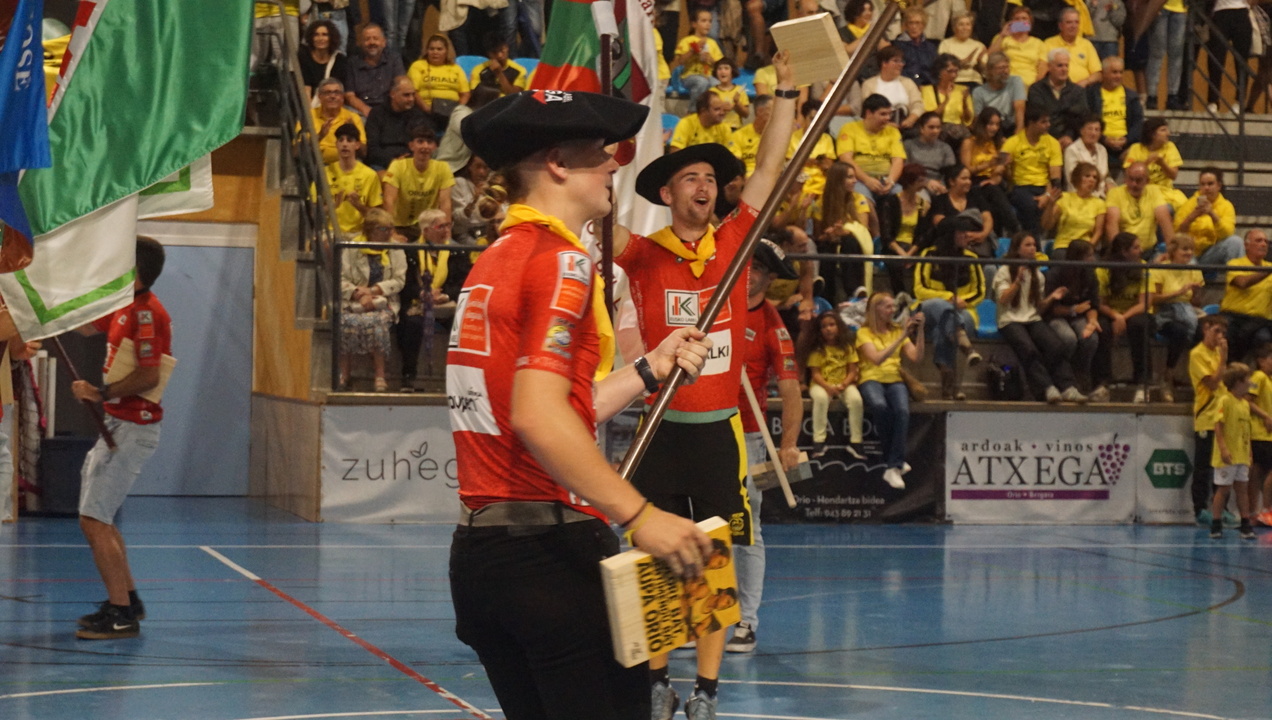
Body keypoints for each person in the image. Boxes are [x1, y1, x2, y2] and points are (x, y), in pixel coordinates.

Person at [448, 88, 715, 720]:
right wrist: (641, 515)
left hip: (483, 557)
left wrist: (649, 368)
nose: (615, 164)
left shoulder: (497, 258)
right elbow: (538, 417)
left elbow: (555, 405)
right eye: (600, 152)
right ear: (558, 164)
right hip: (551, 556)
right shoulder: (563, 262)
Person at [611, 51, 796, 720]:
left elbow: (769, 167)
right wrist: (599, 147)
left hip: (718, 434)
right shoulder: (643, 254)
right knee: (657, 562)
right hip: (658, 432)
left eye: (712, 179)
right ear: (667, 194)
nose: (705, 187)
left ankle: (707, 692)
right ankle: (659, 682)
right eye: (691, 177)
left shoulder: (737, 242)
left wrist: (786, 92)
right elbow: (596, 223)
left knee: (714, 560)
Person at [71, 237, 171, 640]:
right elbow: (83, 326)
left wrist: (100, 393)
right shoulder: (122, 304)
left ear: (135, 271)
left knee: (93, 520)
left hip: (133, 428)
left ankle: (121, 616)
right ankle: (127, 600)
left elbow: (149, 375)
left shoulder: (148, 314)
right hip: (116, 424)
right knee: (100, 517)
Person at [729, 240, 804, 655]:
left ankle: (746, 621)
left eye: (758, 268)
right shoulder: (716, 305)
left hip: (748, 436)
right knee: (698, 525)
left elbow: (791, 391)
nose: (748, 273)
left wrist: (788, 444)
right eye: (746, 264)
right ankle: (699, 620)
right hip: (704, 428)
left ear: (770, 279)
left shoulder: (774, 326)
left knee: (746, 528)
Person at [993, 232, 1087, 402]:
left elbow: (1038, 308)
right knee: (1029, 349)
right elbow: (1003, 299)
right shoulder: (1004, 271)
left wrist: (1052, 298)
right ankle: (1046, 388)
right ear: (1017, 249)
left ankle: (1068, 387)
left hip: (1032, 318)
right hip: (1009, 320)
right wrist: (1017, 282)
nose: (1032, 248)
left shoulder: (1038, 275)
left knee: (1056, 345)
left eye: (1034, 245)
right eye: (1027, 245)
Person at [914, 210, 987, 400]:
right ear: (950, 235)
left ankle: (947, 379)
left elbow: (980, 291)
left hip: (964, 310)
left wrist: (962, 302)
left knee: (945, 327)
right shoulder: (928, 254)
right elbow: (919, 289)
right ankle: (965, 349)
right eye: (961, 232)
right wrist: (949, 298)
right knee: (941, 306)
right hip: (928, 310)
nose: (967, 235)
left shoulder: (971, 258)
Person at [857, 292, 925, 489]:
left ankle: (892, 466)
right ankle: (894, 462)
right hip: (871, 378)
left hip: (894, 379)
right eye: (888, 306)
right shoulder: (864, 333)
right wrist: (902, 336)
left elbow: (916, 357)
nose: (892, 310)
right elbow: (876, 359)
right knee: (879, 405)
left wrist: (920, 331)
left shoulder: (897, 330)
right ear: (876, 309)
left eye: (893, 306)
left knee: (902, 411)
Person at [339, 209, 406, 391]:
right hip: (354, 300)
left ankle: (380, 375)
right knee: (345, 321)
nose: (389, 233)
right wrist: (359, 294)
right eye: (383, 229)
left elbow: (399, 280)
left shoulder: (395, 249)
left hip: (383, 300)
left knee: (376, 323)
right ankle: (344, 374)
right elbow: (340, 277)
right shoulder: (352, 247)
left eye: (390, 228)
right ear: (370, 230)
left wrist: (372, 291)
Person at [1092, 232, 1150, 403]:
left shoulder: (1144, 267)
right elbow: (1100, 303)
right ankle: (1102, 383)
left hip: (1134, 312)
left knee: (1140, 326)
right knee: (1101, 328)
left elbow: (1144, 303)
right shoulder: (1103, 269)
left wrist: (1123, 317)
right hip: (1110, 312)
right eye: (1136, 247)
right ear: (1124, 251)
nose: (1141, 250)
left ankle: (1142, 383)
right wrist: (1115, 316)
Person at [802, 311, 866, 457]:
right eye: (824, 326)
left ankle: (856, 442)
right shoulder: (817, 349)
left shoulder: (848, 347)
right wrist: (828, 387)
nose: (828, 329)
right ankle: (818, 441)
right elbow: (815, 374)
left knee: (856, 400)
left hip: (844, 384)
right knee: (820, 399)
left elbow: (852, 371)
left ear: (839, 327)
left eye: (832, 325)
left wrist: (844, 385)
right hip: (821, 384)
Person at [1149, 234, 1205, 402]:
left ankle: (1198, 376)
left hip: (1187, 310)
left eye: (1191, 250)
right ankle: (1168, 376)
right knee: (1180, 331)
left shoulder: (1194, 270)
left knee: (1204, 331)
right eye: (1185, 249)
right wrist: (1179, 292)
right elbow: (1154, 299)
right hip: (1164, 312)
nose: (1189, 253)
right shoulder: (1159, 269)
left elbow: (1196, 302)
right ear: (1173, 251)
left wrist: (1195, 293)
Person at [1043, 238, 1100, 392]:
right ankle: (1062, 376)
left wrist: (1092, 322)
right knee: (1068, 339)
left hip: (1079, 316)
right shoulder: (1056, 274)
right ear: (1078, 257)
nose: (1093, 259)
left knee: (1090, 338)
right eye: (1089, 256)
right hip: (1056, 316)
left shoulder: (1090, 274)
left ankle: (1081, 374)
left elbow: (1093, 304)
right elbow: (1049, 308)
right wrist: (1073, 309)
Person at [1209, 363, 1258, 540]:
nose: (1250, 383)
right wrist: (1223, 448)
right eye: (1247, 380)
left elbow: (1246, 431)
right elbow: (1218, 425)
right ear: (1238, 382)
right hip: (1228, 456)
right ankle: (1216, 523)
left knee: (1242, 490)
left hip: (1241, 455)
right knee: (1223, 489)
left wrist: (1249, 451)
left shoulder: (1245, 404)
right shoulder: (1225, 400)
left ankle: (1245, 524)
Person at [815, 161, 877, 300]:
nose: (855, 181)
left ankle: (854, 290)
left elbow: (862, 229)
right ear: (837, 179)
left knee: (850, 241)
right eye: (850, 177)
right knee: (825, 247)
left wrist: (844, 232)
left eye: (854, 177)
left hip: (852, 243)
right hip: (831, 243)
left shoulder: (859, 199)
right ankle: (826, 296)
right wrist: (829, 234)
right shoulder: (821, 202)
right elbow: (818, 235)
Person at [382, 123, 455, 239]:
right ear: (411, 146)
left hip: (430, 227)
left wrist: (447, 235)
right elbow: (389, 200)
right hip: (400, 227)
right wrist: (392, 233)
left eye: (429, 142)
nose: (425, 146)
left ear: (435, 147)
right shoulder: (397, 166)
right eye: (420, 142)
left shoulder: (443, 168)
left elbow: (445, 203)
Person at [1190, 314, 1230, 525]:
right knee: (1204, 467)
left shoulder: (1217, 353)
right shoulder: (1197, 354)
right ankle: (1200, 509)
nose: (1220, 336)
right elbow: (1213, 383)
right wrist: (1224, 359)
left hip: (1222, 417)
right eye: (1216, 331)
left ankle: (1221, 508)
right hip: (1206, 418)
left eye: (1223, 333)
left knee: (1222, 467)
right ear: (1205, 328)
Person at [1001, 107, 1062, 235]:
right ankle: (1033, 241)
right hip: (1020, 187)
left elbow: (1056, 177)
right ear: (1031, 123)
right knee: (1030, 205)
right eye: (1043, 122)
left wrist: (1047, 195)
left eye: (1048, 121)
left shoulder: (1053, 143)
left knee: (1061, 205)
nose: (1048, 125)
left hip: (1044, 187)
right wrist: (1004, 165)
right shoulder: (1012, 142)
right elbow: (999, 167)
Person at [838, 93, 908, 202]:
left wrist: (891, 181)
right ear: (868, 113)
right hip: (858, 181)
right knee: (863, 202)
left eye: (889, 114)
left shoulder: (893, 132)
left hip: (886, 180)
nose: (888, 118)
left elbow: (898, 160)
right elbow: (846, 159)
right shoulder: (849, 128)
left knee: (904, 200)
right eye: (883, 114)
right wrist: (867, 180)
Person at [960, 107, 1019, 234]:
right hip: (975, 181)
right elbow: (967, 170)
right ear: (982, 124)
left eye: (997, 124)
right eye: (991, 124)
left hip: (996, 180)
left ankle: (1009, 232)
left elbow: (1004, 170)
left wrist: (999, 172)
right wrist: (988, 164)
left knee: (993, 190)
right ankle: (1015, 229)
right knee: (991, 194)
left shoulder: (1001, 142)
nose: (994, 128)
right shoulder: (969, 143)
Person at [1219, 229, 1272, 363]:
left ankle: (1263, 375)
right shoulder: (1235, 264)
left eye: (1266, 242)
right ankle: (1228, 370)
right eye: (1258, 241)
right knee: (1225, 334)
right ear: (1246, 245)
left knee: (1264, 338)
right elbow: (1242, 283)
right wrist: (1267, 272)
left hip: (1259, 321)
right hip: (1233, 317)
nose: (1263, 244)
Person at [879, 164, 934, 293]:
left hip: (914, 247)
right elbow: (886, 234)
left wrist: (910, 254)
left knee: (925, 260)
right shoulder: (891, 202)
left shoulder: (923, 204)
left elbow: (924, 234)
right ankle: (900, 295)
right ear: (909, 182)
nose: (923, 184)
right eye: (920, 181)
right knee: (894, 261)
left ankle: (917, 295)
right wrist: (902, 254)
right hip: (895, 247)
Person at [1174, 167, 1244, 267]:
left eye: (1210, 184)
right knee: (1188, 261)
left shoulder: (1227, 206)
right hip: (1190, 252)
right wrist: (1191, 217)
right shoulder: (1188, 204)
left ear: (1219, 186)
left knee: (1236, 242)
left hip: (1213, 252)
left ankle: (1236, 276)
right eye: (1203, 184)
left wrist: (1212, 214)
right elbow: (1176, 233)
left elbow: (1227, 233)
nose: (1206, 188)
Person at [326, 122, 384, 236]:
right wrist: (334, 205)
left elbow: (376, 216)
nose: (344, 144)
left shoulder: (370, 175)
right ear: (336, 144)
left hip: (359, 233)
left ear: (357, 145)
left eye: (349, 140)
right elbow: (314, 213)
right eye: (341, 140)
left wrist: (358, 205)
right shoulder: (325, 173)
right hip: (331, 232)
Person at [1104, 162, 1174, 255]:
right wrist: (1119, 254)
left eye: (1139, 180)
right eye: (1131, 179)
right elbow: (1112, 225)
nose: (1134, 184)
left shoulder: (1154, 191)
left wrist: (1171, 254)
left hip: (1150, 252)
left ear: (1147, 181)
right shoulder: (1115, 193)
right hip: (1125, 253)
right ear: (1125, 179)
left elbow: (1165, 221)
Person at [1026, 48, 1090, 148]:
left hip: (1072, 142)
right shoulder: (1036, 89)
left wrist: (1068, 136)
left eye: (1066, 65)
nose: (1064, 69)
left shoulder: (1077, 91)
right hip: (1043, 141)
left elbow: (1082, 118)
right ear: (1049, 67)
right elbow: (1039, 118)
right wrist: (1055, 141)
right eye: (1060, 65)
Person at [365, 76, 431, 170]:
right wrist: (393, 161)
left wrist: (406, 161)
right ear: (392, 94)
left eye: (413, 94)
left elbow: (422, 145)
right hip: (382, 164)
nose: (411, 99)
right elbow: (372, 148)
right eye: (406, 95)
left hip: (411, 163)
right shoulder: (377, 114)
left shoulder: (417, 115)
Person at [408, 34, 470, 132]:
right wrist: (426, 108)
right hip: (425, 112)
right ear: (427, 51)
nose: (435, 52)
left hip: (452, 112)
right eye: (431, 49)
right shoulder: (418, 66)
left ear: (446, 51)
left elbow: (465, 94)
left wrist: (456, 110)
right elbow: (413, 91)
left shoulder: (456, 68)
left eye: (439, 49)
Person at [1044, 161, 1107, 258]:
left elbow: (1098, 232)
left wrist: (1089, 249)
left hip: (1086, 248)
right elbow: (1047, 225)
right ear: (1077, 178)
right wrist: (1050, 205)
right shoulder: (1064, 198)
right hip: (1064, 246)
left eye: (1095, 177)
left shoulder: (1099, 203)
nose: (1091, 180)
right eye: (1087, 176)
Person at [1122, 118, 1186, 210]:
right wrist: (1146, 163)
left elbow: (1173, 175)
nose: (1168, 133)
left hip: (1164, 191)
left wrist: (1162, 163)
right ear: (1152, 134)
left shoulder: (1170, 147)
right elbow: (1129, 175)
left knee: (1177, 207)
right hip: (1140, 191)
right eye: (1163, 130)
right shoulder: (1136, 148)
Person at [1086, 56, 1142, 159]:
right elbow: (1085, 121)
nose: (1118, 76)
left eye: (1121, 72)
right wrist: (1104, 139)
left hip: (1126, 145)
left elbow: (1138, 123)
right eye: (1114, 72)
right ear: (1104, 73)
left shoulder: (1131, 96)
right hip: (1098, 143)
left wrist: (1127, 139)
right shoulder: (1091, 95)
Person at [344, 23, 405, 117]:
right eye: (367, 39)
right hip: (361, 111)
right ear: (361, 43)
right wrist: (367, 111)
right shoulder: (352, 63)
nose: (371, 42)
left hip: (389, 110)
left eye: (375, 38)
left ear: (384, 42)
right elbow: (349, 95)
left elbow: (401, 87)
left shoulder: (394, 59)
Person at [857, 48, 924, 132]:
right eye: (896, 61)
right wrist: (886, 124)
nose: (901, 64)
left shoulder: (908, 82)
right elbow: (867, 110)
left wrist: (911, 119)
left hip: (905, 127)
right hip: (879, 128)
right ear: (884, 63)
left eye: (901, 61)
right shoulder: (869, 84)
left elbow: (918, 104)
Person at [1207, 0, 1254, 114]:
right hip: (1220, 12)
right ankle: (1213, 101)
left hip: (1242, 12)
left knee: (1241, 61)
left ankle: (1239, 101)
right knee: (1215, 59)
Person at [1245, 344, 1272, 527]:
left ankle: (1256, 511)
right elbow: (1248, 400)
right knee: (1259, 472)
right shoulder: (1259, 377)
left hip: (1267, 435)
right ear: (1261, 361)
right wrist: (1266, 416)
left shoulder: (1269, 380)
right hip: (1261, 434)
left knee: (1257, 472)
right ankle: (1265, 510)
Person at [674, 8, 725, 104]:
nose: (708, 24)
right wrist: (693, 50)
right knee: (701, 82)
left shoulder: (712, 43)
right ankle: (694, 109)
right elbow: (681, 61)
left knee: (717, 84)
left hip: (708, 75)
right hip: (689, 76)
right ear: (694, 24)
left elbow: (719, 64)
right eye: (704, 21)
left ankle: (710, 109)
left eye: (710, 21)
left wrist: (710, 60)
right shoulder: (686, 41)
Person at [1042, 7, 1103, 87]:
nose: (1073, 26)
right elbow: (1043, 70)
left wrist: (1085, 82)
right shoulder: (1048, 43)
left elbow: (1098, 74)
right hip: (1058, 88)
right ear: (1060, 26)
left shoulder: (1087, 44)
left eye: (1076, 22)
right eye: (1069, 22)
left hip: (1083, 89)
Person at [311, 77, 366, 165]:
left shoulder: (353, 117)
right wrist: (319, 136)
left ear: (342, 97)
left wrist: (354, 134)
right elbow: (296, 152)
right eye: (327, 93)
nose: (332, 96)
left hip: (346, 164)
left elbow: (363, 153)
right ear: (319, 97)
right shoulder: (309, 116)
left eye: (337, 93)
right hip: (317, 165)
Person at [1143, 0, 1187, 107]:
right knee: (1157, 53)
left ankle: (1173, 95)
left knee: (1176, 54)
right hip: (1160, 6)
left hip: (1181, 9)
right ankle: (1152, 95)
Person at [989, 5, 1046, 86]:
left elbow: (1042, 71)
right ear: (1011, 22)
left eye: (1024, 18)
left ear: (1030, 23)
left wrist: (1034, 88)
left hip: (1030, 85)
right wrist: (1002, 35)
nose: (1021, 21)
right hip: (1005, 83)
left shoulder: (1039, 43)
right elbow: (989, 58)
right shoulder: (1001, 38)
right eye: (1017, 19)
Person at [972, 52, 1027, 136]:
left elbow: (1019, 107)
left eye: (1007, 67)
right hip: (991, 129)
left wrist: (1019, 131)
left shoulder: (1015, 81)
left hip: (1011, 126)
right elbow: (978, 119)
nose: (1005, 71)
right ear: (990, 71)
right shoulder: (979, 92)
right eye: (1001, 68)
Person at [299, 19, 349, 105]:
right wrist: (311, 112)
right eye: (316, 35)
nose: (320, 38)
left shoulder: (339, 60)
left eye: (325, 35)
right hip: (311, 105)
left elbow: (339, 91)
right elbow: (306, 89)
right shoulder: (304, 57)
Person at [905, 112, 957, 194]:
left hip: (939, 184)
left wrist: (941, 185)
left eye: (938, 127)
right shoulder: (909, 145)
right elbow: (906, 170)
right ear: (921, 128)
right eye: (931, 127)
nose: (935, 131)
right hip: (916, 184)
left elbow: (950, 172)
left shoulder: (945, 148)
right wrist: (926, 182)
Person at [921, 55, 974, 137]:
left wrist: (964, 103)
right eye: (950, 71)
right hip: (938, 130)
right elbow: (929, 118)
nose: (954, 75)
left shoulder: (963, 90)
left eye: (956, 71)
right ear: (939, 72)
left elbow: (968, 120)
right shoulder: (927, 90)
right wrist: (946, 100)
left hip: (959, 131)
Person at [1062, 115, 1110, 197]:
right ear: (1082, 131)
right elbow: (1073, 180)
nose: (1093, 133)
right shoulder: (1072, 150)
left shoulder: (1102, 149)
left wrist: (1110, 184)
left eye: (1097, 130)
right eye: (1090, 129)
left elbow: (1105, 175)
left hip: (1101, 196)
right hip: (1079, 196)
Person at [469, 32, 529, 97]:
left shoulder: (520, 70)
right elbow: (475, 95)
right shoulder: (478, 70)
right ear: (488, 53)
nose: (499, 55)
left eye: (502, 50)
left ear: (507, 47)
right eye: (494, 52)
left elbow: (516, 96)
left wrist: (499, 74)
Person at [450, 153, 491, 243]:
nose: (482, 172)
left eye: (485, 168)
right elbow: (458, 218)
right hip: (466, 233)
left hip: (488, 231)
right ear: (470, 167)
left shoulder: (492, 185)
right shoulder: (459, 183)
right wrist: (475, 199)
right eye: (478, 167)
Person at [728, 94, 772, 177]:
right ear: (760, 111)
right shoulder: (738, 136)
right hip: (747, 177)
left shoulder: (779, 137)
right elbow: (736, 165)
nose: (776, 116)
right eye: (773, 111)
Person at [939, 11, 987, 85]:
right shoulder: (945, 44)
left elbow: (985, 72)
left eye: (968, 24)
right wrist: (962, 62)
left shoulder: (979, 45)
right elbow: (943, 67)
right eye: (961, 24)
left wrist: (980, 63)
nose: (965, 28)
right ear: (954, 28)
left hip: (974, 82)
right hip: (953, 82)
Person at [896, 7, 938, 86]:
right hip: (905, 86)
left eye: (917, 23)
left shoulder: (931, 47)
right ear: (905, 25)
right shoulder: (897, 46)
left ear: (924, 25)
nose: (914, 27)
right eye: (911, 23)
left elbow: (935, 71)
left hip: (928, 86)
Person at [709, 58, 751, 129]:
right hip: (717, 129)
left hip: (735, 128)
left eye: (726, 68)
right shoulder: (711, 91)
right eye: (719, 69)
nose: (722, 71)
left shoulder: (739, 90)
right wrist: (720, 108)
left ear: (732, 72)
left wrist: (736, 104)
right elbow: (708, 114)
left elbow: (746, 114)